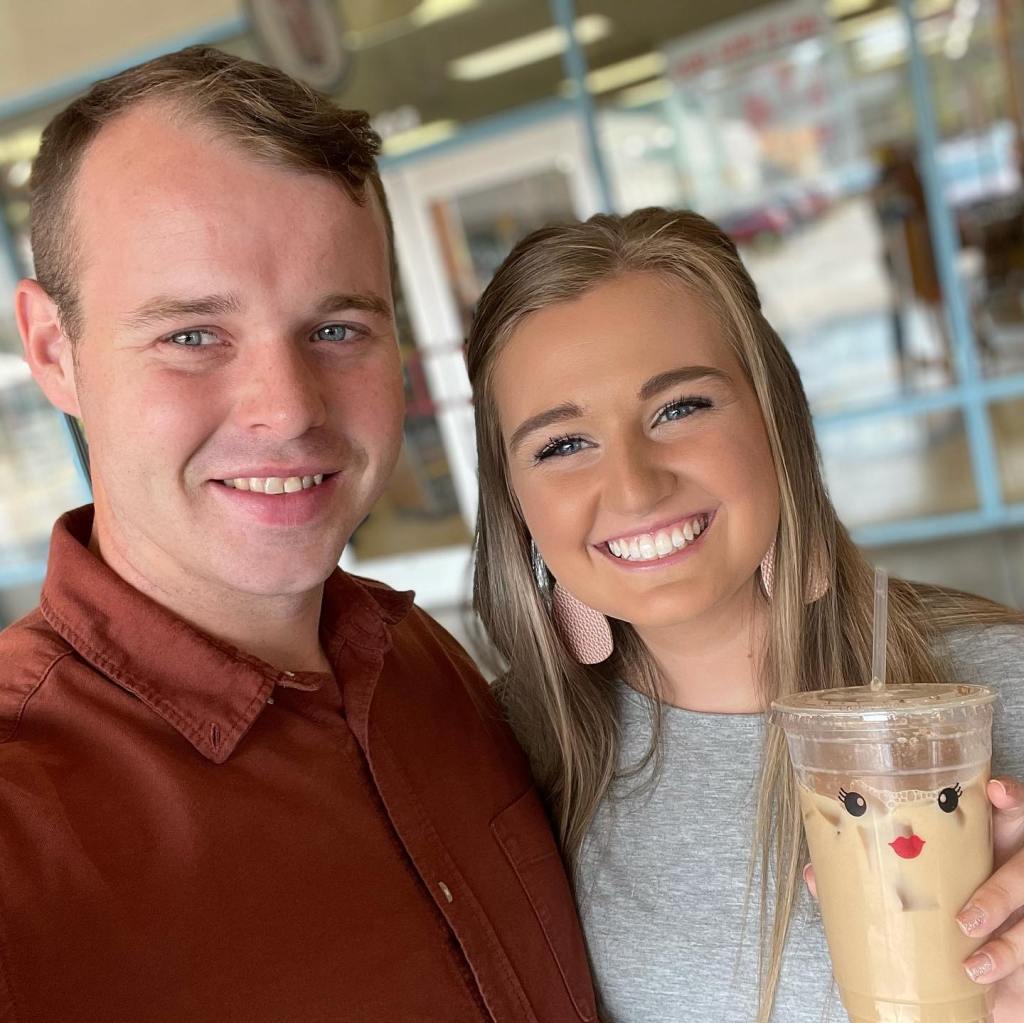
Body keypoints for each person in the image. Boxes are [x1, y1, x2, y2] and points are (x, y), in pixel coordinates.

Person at [0, 46, 596, 1023]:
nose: (286, 410)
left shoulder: (419, 662)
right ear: (53, 351)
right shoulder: (23, 822)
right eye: (192, 335)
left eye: (336, 330)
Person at [465, 206, 1024, 1023]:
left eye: (680, 407)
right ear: (517, 506)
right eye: (561, 445)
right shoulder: (508, 753)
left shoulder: (1002, 683)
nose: (634, 488)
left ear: (775, 420)